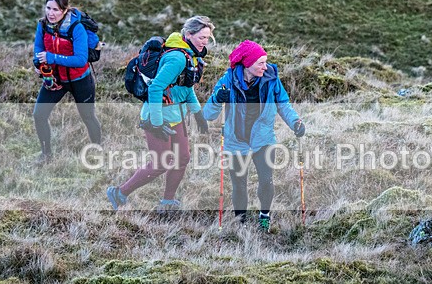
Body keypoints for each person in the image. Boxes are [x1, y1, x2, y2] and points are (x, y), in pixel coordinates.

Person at [106, 16, 214, 212]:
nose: (205, 42)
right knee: (161, 163)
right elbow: (155, 89)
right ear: (188, 35)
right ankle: (119, 192)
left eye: (208, 38)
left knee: (182, 158)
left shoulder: (190, 55)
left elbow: (185, 88)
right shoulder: (178, 58)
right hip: (157, 116)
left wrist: (198, 115)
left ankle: (167, 202)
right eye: (202, 37)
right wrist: (156, 123)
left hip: (175, 115)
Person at [203, 40, 305, 231]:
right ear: (247, 63)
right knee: (239, 185)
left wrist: (295, 123)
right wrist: (218, 99)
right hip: (236, 141)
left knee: (266, 180)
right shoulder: (227, 80)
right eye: (261, 63)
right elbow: (208, 114)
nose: (265, 67)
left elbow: (283, 105)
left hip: (263, 139)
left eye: (265, 62)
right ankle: (240, 222)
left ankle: (264, 216)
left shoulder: (271, 79)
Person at [32, 0, 101, 162]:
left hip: (80, 80)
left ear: (64, 11)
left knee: (88, 117)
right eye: (48, 8)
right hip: (55, 80)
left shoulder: (76, 28)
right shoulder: (42, 25)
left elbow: (80, 59)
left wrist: (52, 57)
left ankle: (97, 150)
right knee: (38, 115)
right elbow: (38, 49)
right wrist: (39, 64)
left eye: (55, 9)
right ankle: (46, 155)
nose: (50, 13)